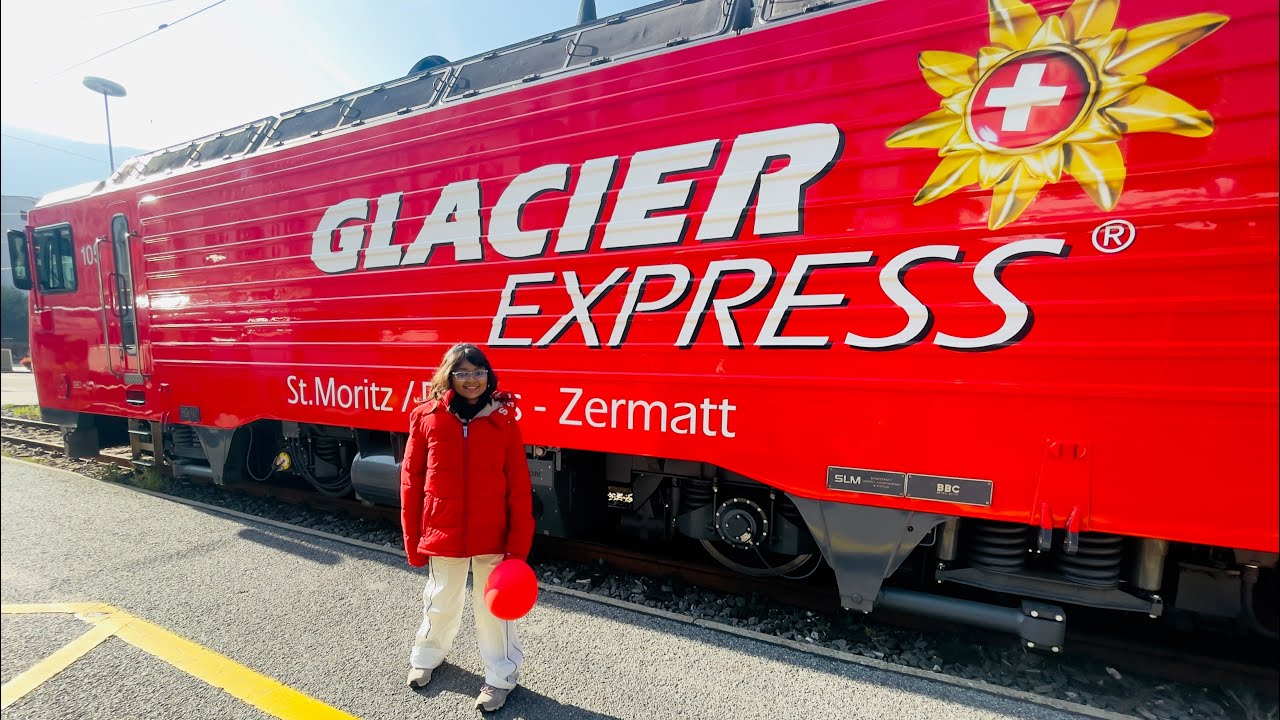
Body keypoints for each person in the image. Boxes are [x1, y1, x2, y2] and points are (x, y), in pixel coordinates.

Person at [400, 343, 534, 712]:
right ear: (449, 376)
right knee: (441, 598)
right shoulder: (425, 417)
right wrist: (413, 539)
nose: (472, 380)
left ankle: (501, 677)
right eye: (463, 373)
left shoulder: (503, 420)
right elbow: (411, 480)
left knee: (495, 609)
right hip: (443, 528)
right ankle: (426, 657)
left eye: (478, 372)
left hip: (492, 531)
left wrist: (518, 547)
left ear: (488, 376)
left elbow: (519, 486)